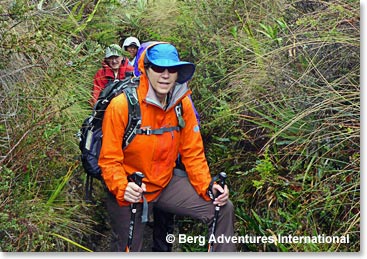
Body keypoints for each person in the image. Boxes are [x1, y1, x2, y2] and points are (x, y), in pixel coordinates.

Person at [98, 42, 236, 252]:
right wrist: (122, 187)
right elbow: (109, 158)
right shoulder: (122, 105)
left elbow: (193, 152)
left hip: (164, 183)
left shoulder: (182, 103)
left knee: (222, 206)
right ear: (146, 69)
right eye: (158, 68)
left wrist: (208, 186)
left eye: (172, 69)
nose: (165, 75)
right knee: (127, 248)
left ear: (178, 73)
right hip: (131, 188)